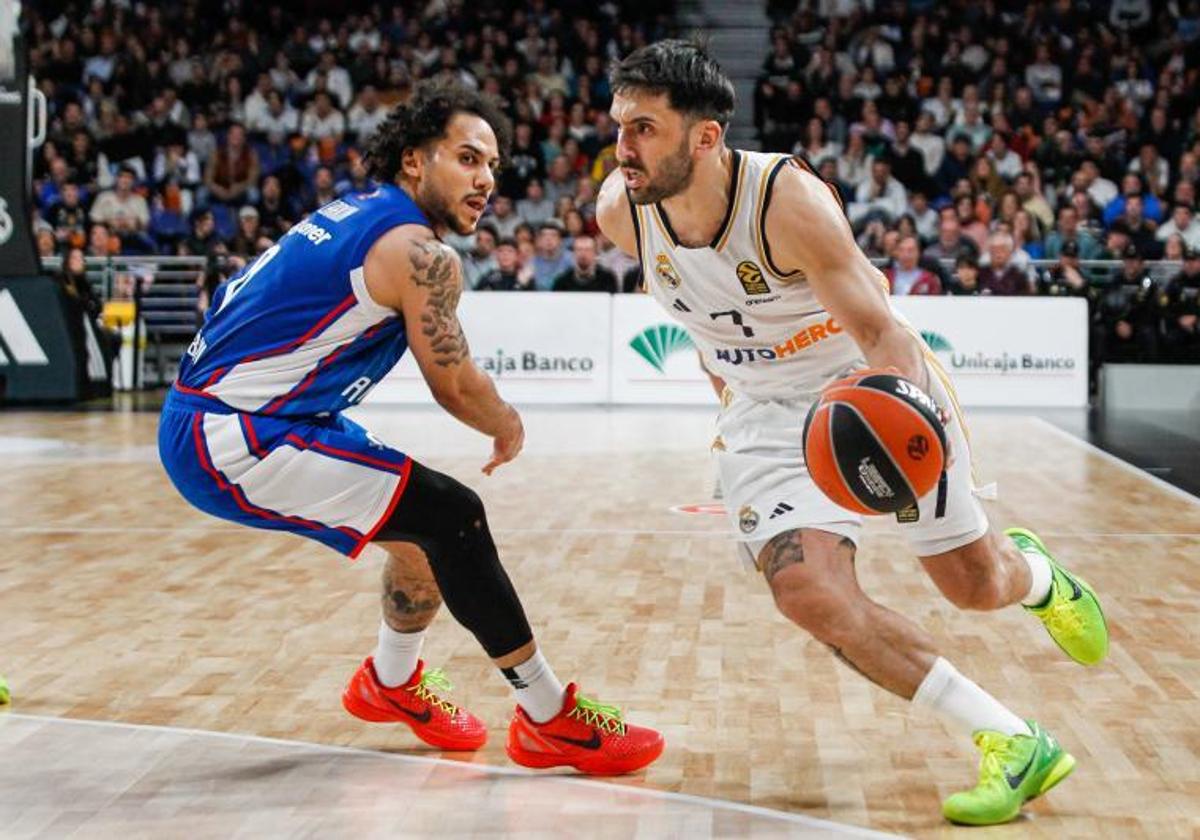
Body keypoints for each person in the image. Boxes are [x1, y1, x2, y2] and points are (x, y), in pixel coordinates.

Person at [597, 41, 1106, 826]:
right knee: (806, 592)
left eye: (645, 129)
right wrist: (729, 403)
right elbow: (697, 313)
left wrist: (901, 423)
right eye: (620, 125)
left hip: (868, 389)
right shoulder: (620, 212)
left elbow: (881, 328)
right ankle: (1010, 739)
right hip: (764, 414)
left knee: (972, 585)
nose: (624, 147)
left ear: (706, 137)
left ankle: (1034, 577)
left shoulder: (784, 200)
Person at [158, 81, 663, 775]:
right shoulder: (416, 250)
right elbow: (453, 384)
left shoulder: (360, 212)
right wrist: (507, 424)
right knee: (454, 515)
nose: (485, 178)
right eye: (466, 157)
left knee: (420, 541)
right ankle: (551, 719)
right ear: (413, 162)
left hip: (253, 415)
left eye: (492, 165)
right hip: (234, 436)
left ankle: (389, 684)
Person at [552, 235, 617, 292]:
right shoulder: (562, 281)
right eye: (579, 249)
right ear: (573, 253)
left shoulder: (607, 279)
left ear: (595, 253)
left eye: (587, 250)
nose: (583, 254)